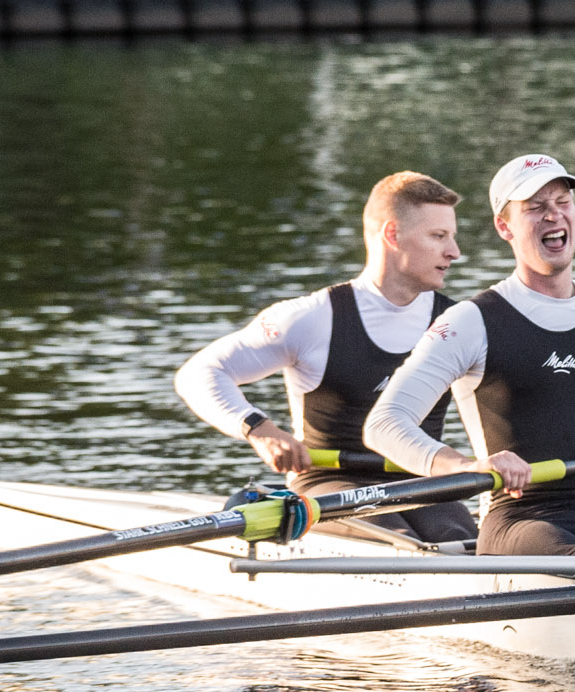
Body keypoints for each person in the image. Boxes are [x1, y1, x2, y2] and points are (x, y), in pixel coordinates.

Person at [365, 153, 575, 560]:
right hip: (517, 519)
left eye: (562, 203)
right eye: (535, 208)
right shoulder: (470, 322)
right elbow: (383, 426)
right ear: (504, 226)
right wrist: (465, 467)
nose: (553, 216)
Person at [174, 171, 474, 545]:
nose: (454, 252)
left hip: (417, 480)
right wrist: (259, 430)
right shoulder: (312, 318)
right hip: (326, 482)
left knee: (462, 540)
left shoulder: (460, 324)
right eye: (438, 236)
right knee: (396, 541)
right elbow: (199, 372)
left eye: (452, 236)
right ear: (393, 235)